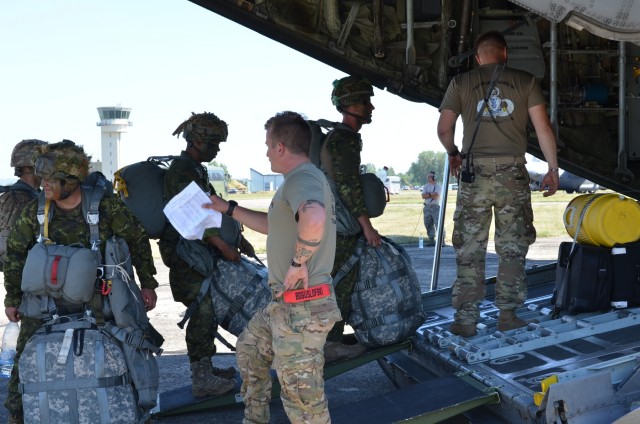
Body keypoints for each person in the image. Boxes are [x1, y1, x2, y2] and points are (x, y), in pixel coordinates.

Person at [3, 140, 159, 424]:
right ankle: (19, 415)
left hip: (100, 299)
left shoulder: (105, 207)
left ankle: (138, 409)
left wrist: (147, 283)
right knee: (25, 355)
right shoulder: (36, 211)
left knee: (128, 347)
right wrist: (12, 299)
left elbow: (137, 239)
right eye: (43, 178)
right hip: (46, 301)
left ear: (71, 180)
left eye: (51, 179)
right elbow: (15, 255)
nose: (44, 185)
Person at [204, 111, 341, 423]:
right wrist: (228, 208)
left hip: (303, 307)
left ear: (281, 147)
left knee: (303, 401)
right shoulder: (298, 181)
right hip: (284, 305)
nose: (265, 152)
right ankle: (255, 418)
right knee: (250, 349)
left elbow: (314, 217)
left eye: (268, 145)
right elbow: (273, 226)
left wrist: (298, 263)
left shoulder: (303, 179)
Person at [436, 30, 559, 337]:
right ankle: (508, 315)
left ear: (478, 58)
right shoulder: (525, 81)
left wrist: (454, 153)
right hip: (512, 174)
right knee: (512, 247)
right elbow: (543, 128)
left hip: (474, 174)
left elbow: (443, 129)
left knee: (469, 248)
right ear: (505, 54)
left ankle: (465, 319)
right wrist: (553, 168)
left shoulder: (460, 83)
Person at [159, 112, 248, 397]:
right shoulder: (182, 172)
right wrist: (224, 247)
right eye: (213, 143)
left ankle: (206, 368)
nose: (217, 149)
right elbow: (197, 218)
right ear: (196, 141)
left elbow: (212, 210)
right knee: (201, 311)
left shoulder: (196, 169)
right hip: (187, 257)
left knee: (207, 310)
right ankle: (201, 379)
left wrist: (239, 239)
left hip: (197, 254)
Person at [323, 75, 382, 361]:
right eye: (365, 101)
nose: (370, 107)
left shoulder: (339, 137)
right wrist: (366, 225)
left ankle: (332, 337)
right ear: (350, 105)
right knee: (340, 283)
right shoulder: (343, 140)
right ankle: (330, 343)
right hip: (341, 227)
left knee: (338, 281)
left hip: (335, 224)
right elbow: (347, 185)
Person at [0, 139, 48, 271]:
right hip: (22, 273)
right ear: (31, 166)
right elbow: (8, 245)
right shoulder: (18, 199)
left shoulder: (35, 194)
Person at [421, 170, 444, 246]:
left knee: (438, 223)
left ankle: (442, 241)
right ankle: (431, 240)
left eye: (430, 177)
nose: (428, 178)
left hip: (435, 207)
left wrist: (428, 194)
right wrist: (431, 195)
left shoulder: (438, 186)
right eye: (428, 177)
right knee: (428, 223)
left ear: (434, 177)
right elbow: (423, 196)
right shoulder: (426, 186)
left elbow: (437, 195)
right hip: (427, 207)